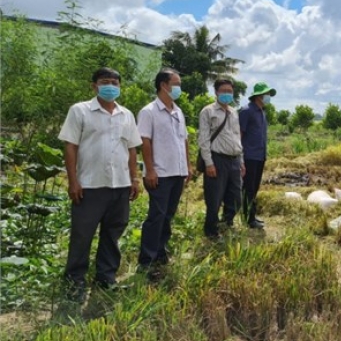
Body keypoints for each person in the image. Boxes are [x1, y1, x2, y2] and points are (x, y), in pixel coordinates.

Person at [58, 67, 142, 302]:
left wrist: (134, 178)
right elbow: (70, 146)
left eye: (115, 83)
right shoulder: (80, 111)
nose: (111, 86)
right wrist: (73, 181)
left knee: (112, 234)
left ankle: (106, 277)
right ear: (94, 85)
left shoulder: (127, 115)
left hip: (120, 185)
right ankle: (75, 281)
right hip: (89, 185)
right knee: (82, 235)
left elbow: (132, 149)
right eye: (105, 82)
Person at [136, 68, 191, 280]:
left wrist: (187, 166)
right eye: (176, 84)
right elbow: (145, 141)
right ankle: (146, 259)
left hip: (177, 171)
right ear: (163, 85)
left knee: (168, 215)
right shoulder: (149, 112)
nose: (179, 88)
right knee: (156, 216)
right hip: (160, 172)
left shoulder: (178, 112)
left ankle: (160, 251)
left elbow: (183, 140)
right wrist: (149, 170)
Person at [198, 79, 245, 239]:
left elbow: (237, 137)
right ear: (216, 92)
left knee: (236, 197)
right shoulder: (208, 111)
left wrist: (241, 161)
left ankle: (226, 222)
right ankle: (211, 230)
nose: (227, 94)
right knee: (214, 198)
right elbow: (203, 140)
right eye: (223, 91)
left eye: (230, 91)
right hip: (217, 159)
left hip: (234, 159)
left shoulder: (233, 112)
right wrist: (209, 163)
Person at [239, 81, 276, 229]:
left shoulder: (262, 112)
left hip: (260, 156)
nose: (268, 97)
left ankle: (251, 216)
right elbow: (239, 135)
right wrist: (240, 158)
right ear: (258, 96)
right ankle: (248, 218)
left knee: (254, 188)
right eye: (266, 94)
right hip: (249, 156)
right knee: (248, 188)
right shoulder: (246, 111)